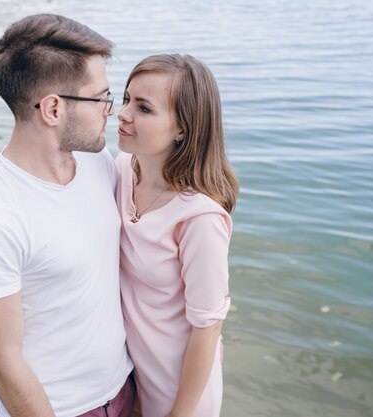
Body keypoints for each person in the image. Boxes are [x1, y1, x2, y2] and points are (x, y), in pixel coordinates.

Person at [0, 14, 134, 417]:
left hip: (125, 389)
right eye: (102, 97)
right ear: (52, 109)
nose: (112, 111)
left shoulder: (97, 162)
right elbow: (4, 364)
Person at [115, 54, 238, 417]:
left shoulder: (199, 218)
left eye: (144, 108)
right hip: (129, 378)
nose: (123, 114)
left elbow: (208, 327)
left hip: (179, 391)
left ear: (182, 128)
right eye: (125, 99)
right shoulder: (121, 170)